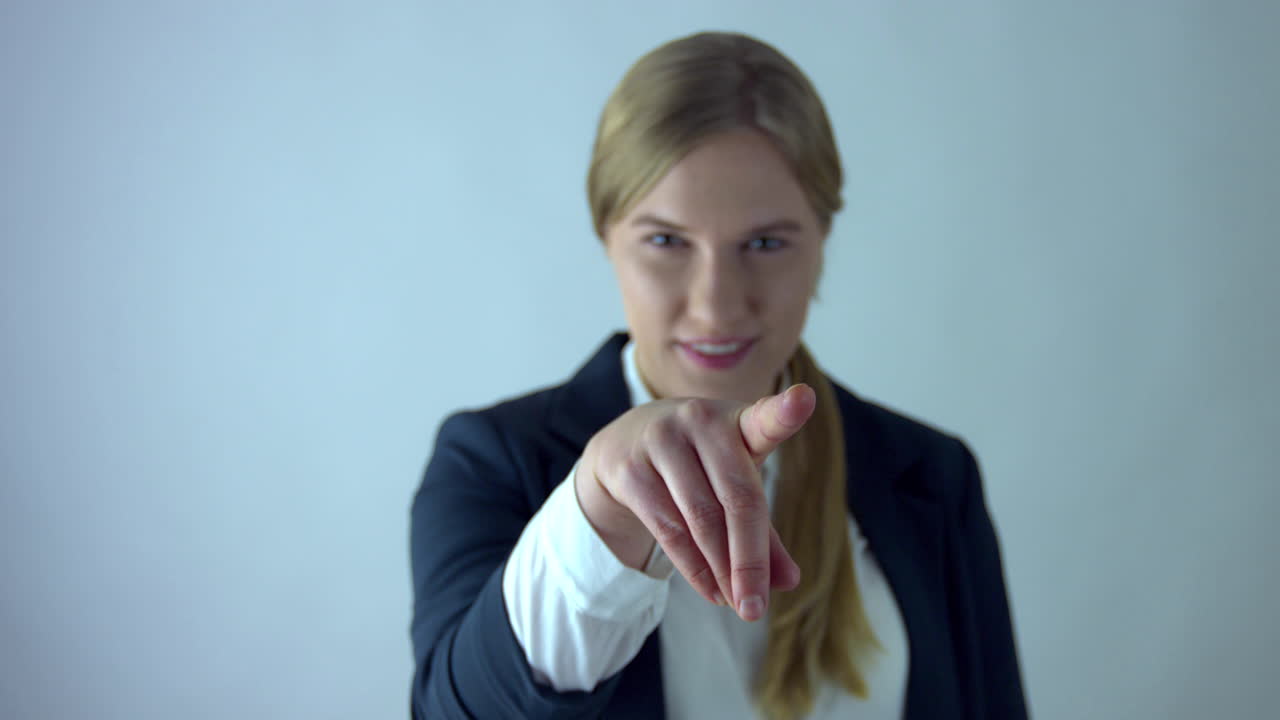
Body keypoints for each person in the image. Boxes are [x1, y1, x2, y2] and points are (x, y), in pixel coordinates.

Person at [408, 31, 1028, 720]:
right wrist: (597, 513)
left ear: (822, 242)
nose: (716, 303)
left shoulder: (933, 476)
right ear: (605, 237)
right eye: (666, 241)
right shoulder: (492, 461)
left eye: (765, 243)